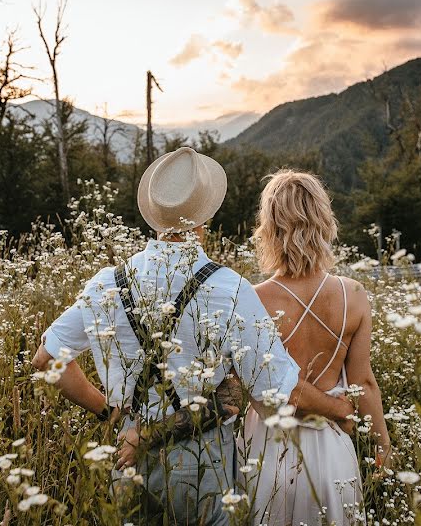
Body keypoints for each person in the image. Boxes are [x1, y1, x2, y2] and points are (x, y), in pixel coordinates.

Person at [32, 148, 353, 525]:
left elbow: (46, 359)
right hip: (203, 462)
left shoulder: (108, 283)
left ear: (153, 216)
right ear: (206, 217)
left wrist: (108, 410)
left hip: (128, 454)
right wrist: (340, 409)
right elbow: (278, 389)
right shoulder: (229, 288)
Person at [240, 169, 391, 526]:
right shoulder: (352, 295)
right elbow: (364, 383)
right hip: (331, 450)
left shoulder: (251, 298)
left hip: (267, 451)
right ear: (324, 222)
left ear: (269, 228)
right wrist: (383, 446)